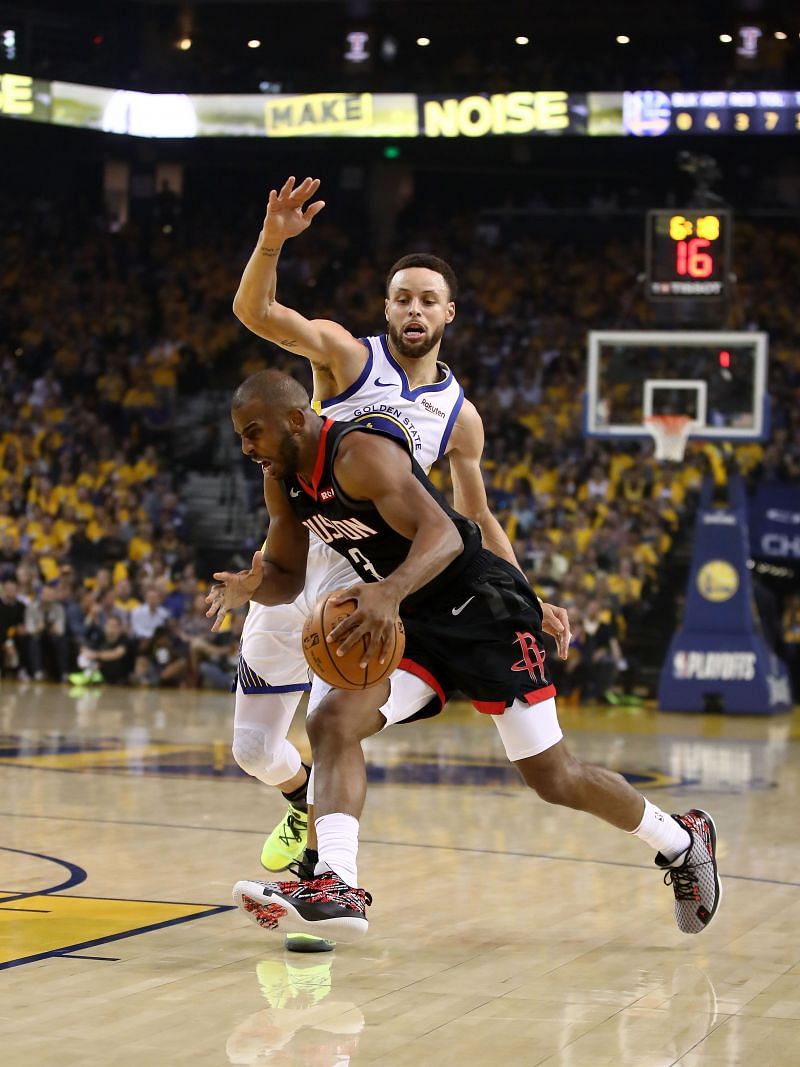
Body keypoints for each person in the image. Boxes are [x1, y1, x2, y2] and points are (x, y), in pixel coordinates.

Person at [209, 371, 721, 944]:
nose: (248, 448)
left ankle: (680, 839)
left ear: (295, 419)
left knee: (554, 777)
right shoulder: (284, 481)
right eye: (242, 437)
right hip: (414, 624)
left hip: (482, 614)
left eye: (254, 432)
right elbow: (284, 576)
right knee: (331, 721)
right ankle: (335, 883)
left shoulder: (359, 453)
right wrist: (251, 587)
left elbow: (448, 535)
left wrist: (387, 592)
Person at [226, 176, 571, 916]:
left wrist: (528, 596)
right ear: (387, 309)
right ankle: (300, 814)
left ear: (449, 312)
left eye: (427, 298)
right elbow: (256, 312)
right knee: (254, 751)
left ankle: (325, 884)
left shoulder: (459, 415)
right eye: (401, 297)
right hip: (298, 567)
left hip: (366, 591)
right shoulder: (347, 360)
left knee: (335, 726)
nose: (413, 308)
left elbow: (474, 517)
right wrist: (272, 241)